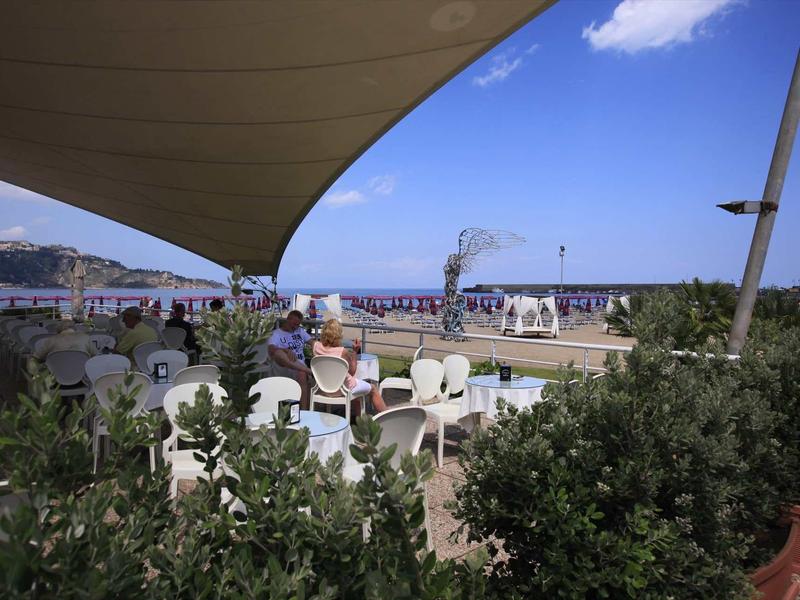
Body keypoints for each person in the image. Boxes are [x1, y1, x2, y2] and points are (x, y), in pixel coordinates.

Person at [312, 319, 387, 415]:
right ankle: (386, 414)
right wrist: (355, 351)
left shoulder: (316, 346)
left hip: (323, 388)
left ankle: (358, 418)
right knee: (372, 389)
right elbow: (352, 371)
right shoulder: (342, 351)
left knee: (358, 391)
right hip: (342, 389)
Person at [268, 310, 313, 409]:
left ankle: (304, 411)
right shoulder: (276, 334)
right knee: (279, 353)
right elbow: (271, 349)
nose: (295, 327)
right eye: (294, 324)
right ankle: (310, 371)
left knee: (301, 373)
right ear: (288, 319)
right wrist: (286, 350)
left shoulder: (300, 331)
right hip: (285, 366)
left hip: (300, 367)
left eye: (298, 324)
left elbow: (312, 342)